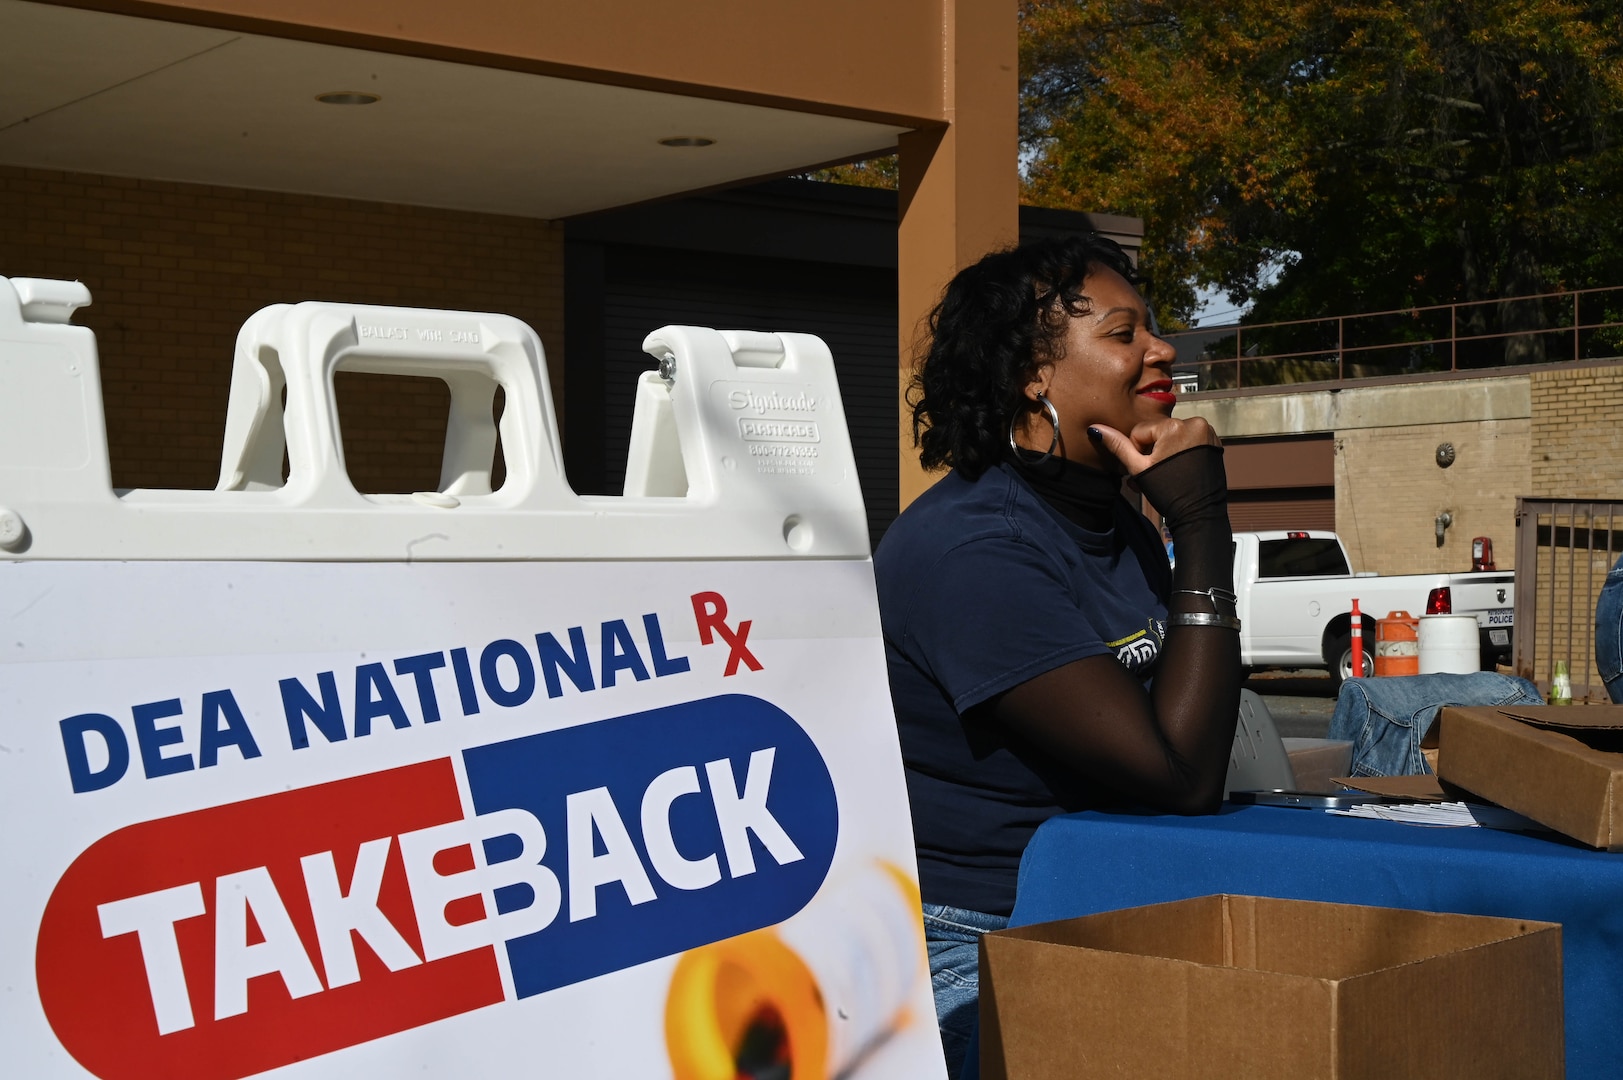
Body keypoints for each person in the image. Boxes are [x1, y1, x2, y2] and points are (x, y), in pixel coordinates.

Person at [873, 234, 1243, 1077]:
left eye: (1152, 328)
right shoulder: (975, 548)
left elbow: (1192, 738)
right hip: (974, 937)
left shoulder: (1109, 518)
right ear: (1030, 377)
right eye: (1123, 334)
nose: (1162, 351)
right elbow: (1179, 775)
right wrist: (1200, 527)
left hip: (1108, 897)